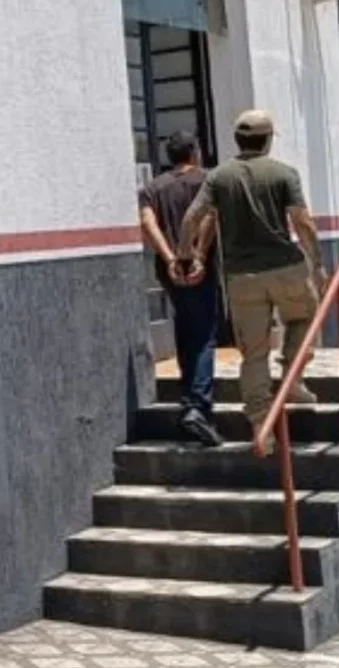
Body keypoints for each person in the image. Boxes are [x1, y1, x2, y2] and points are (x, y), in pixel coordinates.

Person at [176, 110, 327, 451]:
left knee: (254, 353)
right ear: (268, 139)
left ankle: (261, 425)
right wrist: (317, 265)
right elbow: (303, 222)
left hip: (241, 277)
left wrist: (189, 256)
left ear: (237, 139)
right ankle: (292, 376)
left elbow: (191, 218)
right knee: (305, 317)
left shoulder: (219, 176)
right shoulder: (284, 173)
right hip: (286, 267)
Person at [138, 132, 226, 447]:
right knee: (204, 336)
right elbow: (210, 216)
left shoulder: (153, 188)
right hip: (200, 267)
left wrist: (170, 258)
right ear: (194, 151)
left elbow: (148, 223)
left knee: (185, 330)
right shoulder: (208, 181)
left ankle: (188, 400)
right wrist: (198, 255)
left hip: (170, 270)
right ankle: (197, 407)